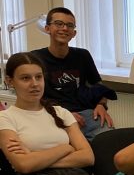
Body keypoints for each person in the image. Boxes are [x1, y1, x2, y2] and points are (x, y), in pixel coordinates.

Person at [32, 7, 116, 142]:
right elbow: (34, 98)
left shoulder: (83, 55)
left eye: (69, 25)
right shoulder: (35, 59)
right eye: (59, 24)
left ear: (74, 33)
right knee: (70, 149)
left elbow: (98, 86)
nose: (65, 28)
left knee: (111, 142)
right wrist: (64, 115)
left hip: (87, 115)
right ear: (47, 28)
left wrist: (101, 105)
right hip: (53, 116)